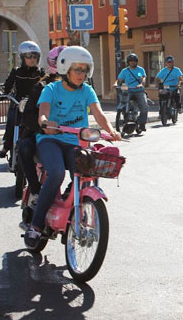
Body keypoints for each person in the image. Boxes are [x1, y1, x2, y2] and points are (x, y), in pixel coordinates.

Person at [24, 46, 121, 248]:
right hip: (51, 141)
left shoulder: (87, 90)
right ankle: (36, 224)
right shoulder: (51, 89)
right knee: (57, 173)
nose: (81, 74)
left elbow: (99, 113)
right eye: (77, 69)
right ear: (65, 68)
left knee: (88, 171)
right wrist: (45, 123)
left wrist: (111, 131)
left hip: (74, 142)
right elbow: (43, 111)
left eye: (85, 70)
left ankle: (71, 203)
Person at [18, 46, 65, 207]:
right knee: (24, 147)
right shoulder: (43, 86)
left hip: (69, 136)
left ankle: (76, 193)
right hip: (42, 135)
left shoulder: (80, 87)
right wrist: (43, 128)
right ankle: (35, 189)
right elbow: (28, 116)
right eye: (63, 62)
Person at [0, 41, 44, 158]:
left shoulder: (41, 73)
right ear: (22, 57)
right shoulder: (16, 72)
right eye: (28, 56)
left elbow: (48, 86)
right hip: (18, 103)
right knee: (12, 121)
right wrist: (3, 93)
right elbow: (7, 86)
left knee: (40, 123)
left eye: (34, 56)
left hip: (35, 105)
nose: (32, 59)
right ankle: (6, 146)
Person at [117, 53, 148, 132]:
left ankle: (142, 124)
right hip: (128, 91)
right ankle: (124, 116)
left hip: (139, 91)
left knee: (144, 104)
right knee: (123, 102)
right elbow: (119, 80)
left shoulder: (139, 70)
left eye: (134, 61)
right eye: (131, 61)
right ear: (128, 62)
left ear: (136, 62)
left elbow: (142, 78)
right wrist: (116, 84)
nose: (132, 62)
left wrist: (141, 84)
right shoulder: (125, 71)